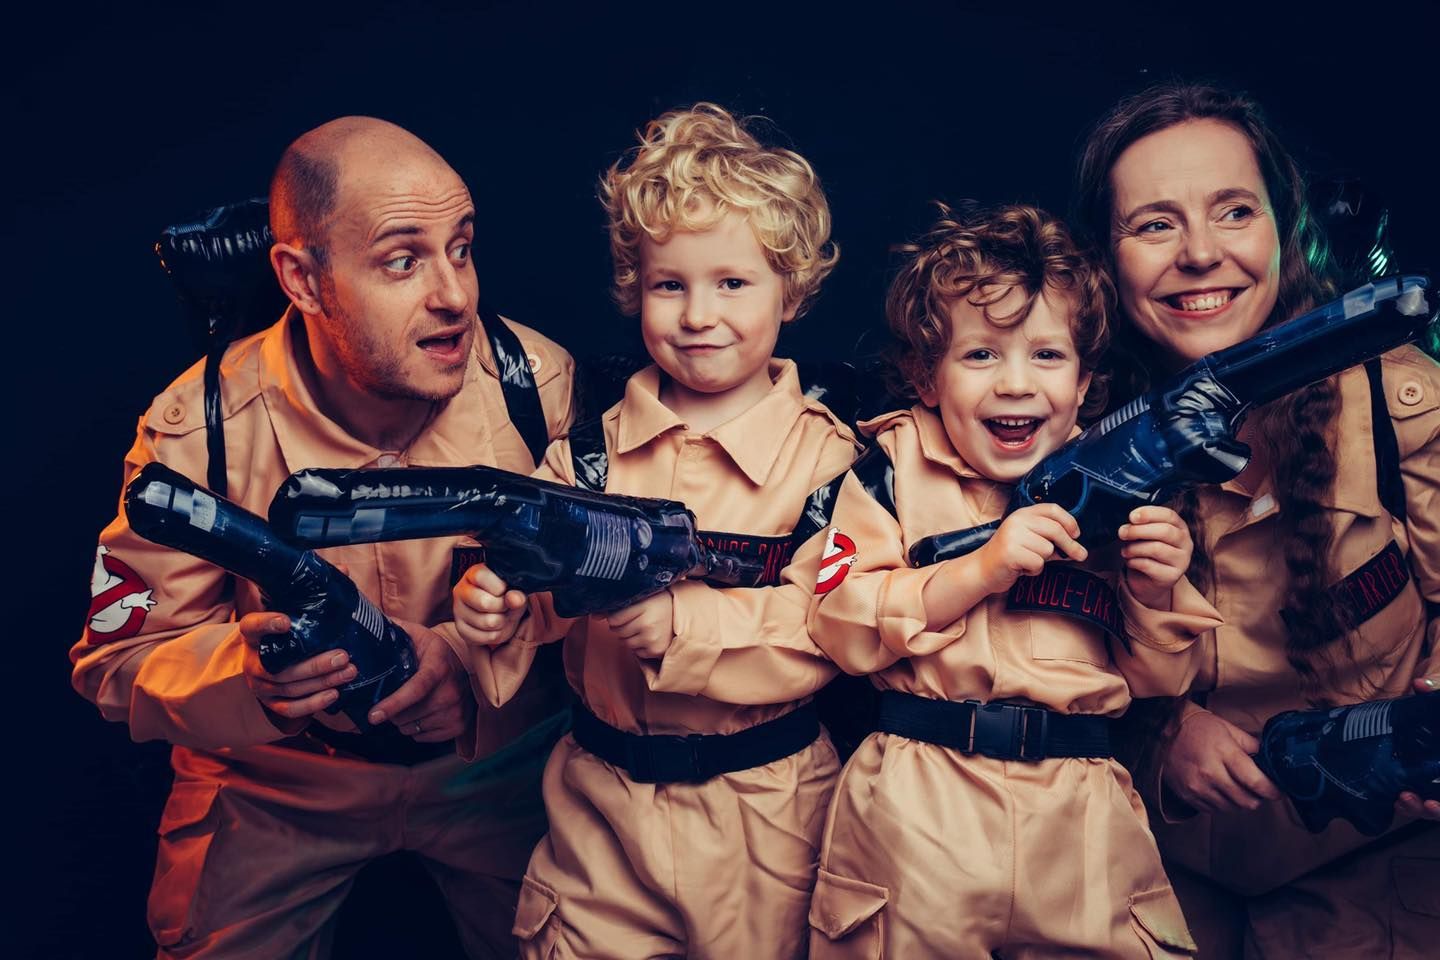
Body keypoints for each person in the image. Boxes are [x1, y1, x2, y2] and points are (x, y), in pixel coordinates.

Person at [70, 116, 575, 959]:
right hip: (278, 785)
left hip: (495, 766)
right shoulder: (201, 431)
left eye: (462, 247)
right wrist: (244, 674)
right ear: (303, 278)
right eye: (402, 260)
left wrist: (469, 660)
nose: (455, 295)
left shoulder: (538, 388)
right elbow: (112, 662)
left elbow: (606, 611)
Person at [452, 102, 858, 958]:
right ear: (637, 289)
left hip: (770, 816)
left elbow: (841, 626)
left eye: (732, 284)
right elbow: (541, 589)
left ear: (792, 290)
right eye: (670, 285)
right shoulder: (591, 453)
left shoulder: (829, 463)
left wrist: (690, 627)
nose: (698, 314)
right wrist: (501, 608)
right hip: (602, 815)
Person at [1074, 81, 1440, 958]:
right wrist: (1161, 735)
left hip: (1378, 878)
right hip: (1160, 883)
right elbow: (1020, 657)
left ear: (1286, 228)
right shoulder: (1061, 426)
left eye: (1234, 211)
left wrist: (1420, 733)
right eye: (1155, 224)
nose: (1200, 254)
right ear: (1104, 256)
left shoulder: (1399, 397)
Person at [802, 203, 1221, 958]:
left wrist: (1157, 592)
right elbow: (839, 619)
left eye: (1048, 356)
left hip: (1082, 810)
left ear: (1089, 382)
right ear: (925, 378)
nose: (1017, 385)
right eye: (981, 356)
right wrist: (980, 569)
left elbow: (1161, 680)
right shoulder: (886, 475)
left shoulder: (1124, 488)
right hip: (922, 802)